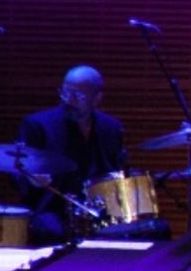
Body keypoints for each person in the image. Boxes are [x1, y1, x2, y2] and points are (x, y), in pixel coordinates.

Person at [16, 65, 128, 245]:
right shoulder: (38, 124)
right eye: (65, 92)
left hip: (101, 209)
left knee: (154, 229)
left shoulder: (111, 128)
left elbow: (118, 171)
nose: (69, 100)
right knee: (50, 229)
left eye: (78, 96)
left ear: (97, 99)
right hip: (54, 208)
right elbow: (19, 169)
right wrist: (32, 180)